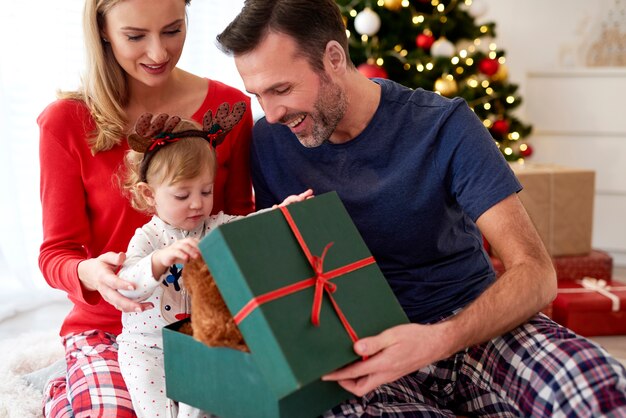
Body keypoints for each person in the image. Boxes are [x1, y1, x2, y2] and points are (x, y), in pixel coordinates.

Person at [216, 1, 626, 416]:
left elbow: (537, 274)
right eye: (258, 95)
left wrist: (439, 339)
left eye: (282, 89)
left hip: (472, 325)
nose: (271, 113)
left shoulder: (443, 125)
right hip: (364, 350)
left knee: (596, 386)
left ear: (334, 58)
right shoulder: (270, 140)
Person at [37, 0, 254, 416]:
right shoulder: (66, 122)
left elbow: (238, 225)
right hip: (109, 329)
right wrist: (92, 273)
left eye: (173, 30)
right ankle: (66, 380)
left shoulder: (228, 110)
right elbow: (55, 254)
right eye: (136, 36)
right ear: (102, 30)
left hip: (204, 325)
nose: (158, 54)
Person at [116, 111, 312, 417]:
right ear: (149, 194)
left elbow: (249, 229)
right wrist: (158, 260)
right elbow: (128, 288)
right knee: (155, 410)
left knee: (213, 400)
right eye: (182, 195)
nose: (197, 203)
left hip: (200, 343)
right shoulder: (148, 239)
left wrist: (281, 213)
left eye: (206, 191)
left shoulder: (215, 226)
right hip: (147, 348)